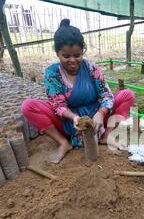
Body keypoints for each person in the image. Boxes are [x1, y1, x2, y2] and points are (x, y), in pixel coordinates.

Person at [21, 19, 135, 163]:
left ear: (83, 52)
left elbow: (106, 94)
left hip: (97, 117)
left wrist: (101, 113)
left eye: (77, 55)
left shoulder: (91, 68)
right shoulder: (52, 73)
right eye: (66, 56)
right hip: (69, 121)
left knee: (127, 95)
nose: (72, 60)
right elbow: (58, 105)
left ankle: (107, 135)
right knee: (28, 106)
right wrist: (75, 118)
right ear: (57, 53)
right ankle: (64, 142)